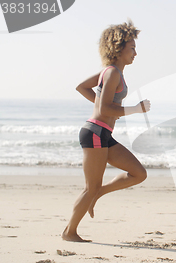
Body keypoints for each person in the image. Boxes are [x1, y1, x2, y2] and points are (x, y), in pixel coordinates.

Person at [62, 20, 151, 242]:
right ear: (119, 48)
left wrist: (102, 106)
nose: (135, 53)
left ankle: (100, 192)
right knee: (89, 188)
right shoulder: (112, 73)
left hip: (103, 134)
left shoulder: (112, 72)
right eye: (132, 48)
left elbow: (82, 88)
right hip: (95, 133)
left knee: (139, 173)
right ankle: (69, 232)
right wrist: (135, 109)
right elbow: (104, 108)